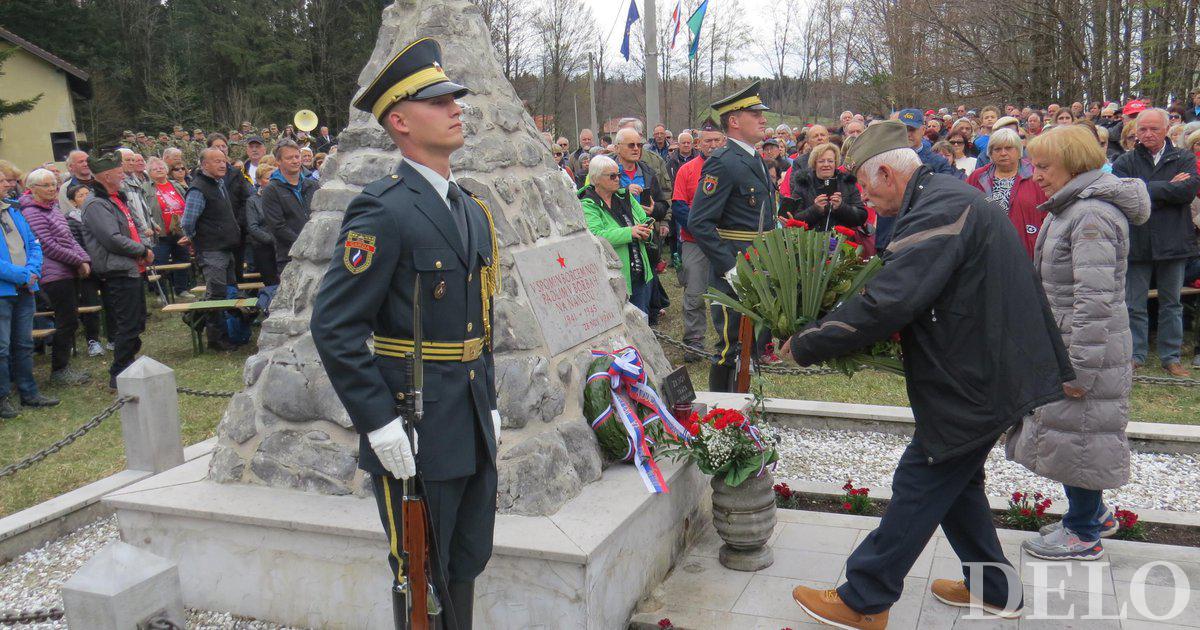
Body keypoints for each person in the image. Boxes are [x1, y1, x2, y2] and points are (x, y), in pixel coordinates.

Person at [785, 120, 1073, 629]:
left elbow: (891, 298)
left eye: (867, 187)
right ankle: (995, 590)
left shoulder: (940, 207)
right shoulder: (941, 196)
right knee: (955, 480)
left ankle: (865, 598)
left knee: (922, 478)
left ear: (887, 173)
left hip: (978, 375)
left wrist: (808, 343)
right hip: (984, 365)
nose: (866, 199)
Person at [310, 38, 498, 630]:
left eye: (454, 98)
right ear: (400, 120)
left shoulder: (468, 207)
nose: (455, 107)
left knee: (464, 561)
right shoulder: (383, 210)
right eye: (438, 100)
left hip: (465, 413)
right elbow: (335, 326)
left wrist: (487, 402)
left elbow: (481, 322)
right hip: (414, 421)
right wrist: (378, 421)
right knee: (419, 569)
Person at [1007, 125, 1150, 561]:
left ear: (1073, 162)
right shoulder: (1072, 206)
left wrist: (1079, 370)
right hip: (1071, 339)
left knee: (1081, 436)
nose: (1036, 174)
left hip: (1087, 346)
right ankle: (1094, 514)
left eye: (1044, 165)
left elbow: (1095, 300)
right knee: (1073, 433)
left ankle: (1084, 533)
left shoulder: (1091, 216)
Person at [689, 81, 777, 392]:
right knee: (730, 345)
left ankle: (743, 409)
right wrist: (730, 267)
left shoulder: (755, 158)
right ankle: (721, 417)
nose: (763, 119)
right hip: (734, 267)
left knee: (751, 342)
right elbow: (699, 221)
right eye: (755, 113)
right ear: (735, 121)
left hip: (759, 261)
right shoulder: (723, 161)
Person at [1113, 108, 1200, 377]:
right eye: (1143, 129)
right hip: (1138, 241)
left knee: (1171, 304)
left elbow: (1186, 191)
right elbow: (1122, 192)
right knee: (1134, 304)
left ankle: (1170, 357)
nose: (1148, 134)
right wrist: (1166, 187)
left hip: (1174, 242)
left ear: (1166, 130)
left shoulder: (1183, 157)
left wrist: (1145, 188)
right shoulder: (1125, 160)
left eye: (1154, 129)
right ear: (1135, 132)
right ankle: (1135, 355)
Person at [81, 153, 153, 390]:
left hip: (131, 266)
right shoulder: (95, 204)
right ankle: (119, 372)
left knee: (137, 320)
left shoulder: (116, 198)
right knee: (127, 323)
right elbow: (112, 239)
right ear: (106, 175)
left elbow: (135, 226)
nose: (123, 174)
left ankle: (128, 365)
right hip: (117, 269)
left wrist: (144, 246)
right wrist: (141, 249)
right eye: (119, 171)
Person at [19, 169, 92, 386]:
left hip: (67, 270)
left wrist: (84, 257)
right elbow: (48, 246)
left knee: (70, 319)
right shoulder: (31, 212)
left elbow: (69, 239)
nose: (52, 189)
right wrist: (77, 261)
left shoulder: (53, 209)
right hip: (53, 274)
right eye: (46, 185)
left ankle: (63, 367)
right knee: (66, 320)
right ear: (31, 189)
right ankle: (59, 370)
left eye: (54, 184)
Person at [672, 121, 725, 360]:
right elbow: (679, 206)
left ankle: (728, 341)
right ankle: (694, 340)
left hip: (724, 242)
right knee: (694, 292)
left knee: (725, 293)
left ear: (723, 141)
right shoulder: (687, 170)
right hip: (694, 241)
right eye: (707, 141)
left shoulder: (731, 169)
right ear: (698, 144)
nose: (712, 145)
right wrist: (701, 228)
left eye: (716, 140)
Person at [181, 148, 243, 352]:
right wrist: (193, 239)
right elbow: (188, 221)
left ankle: (227, 331)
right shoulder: (198, 188)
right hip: (211, 250)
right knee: (216, 295)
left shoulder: (219, 184)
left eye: (223, 161)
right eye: (216, 161)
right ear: (204, 165)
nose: (222, 164)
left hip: (225, 247)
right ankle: (216, 339)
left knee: (227, 292)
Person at [580, 155, 654, 314]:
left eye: (618, 175)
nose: (617, 179)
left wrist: (647, 233)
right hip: (613, 277)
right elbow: (595, 235)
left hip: (639, 273)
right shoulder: (588, 204)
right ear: (596, 179)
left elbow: (645, 220)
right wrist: (630, 232)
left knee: (642, 320)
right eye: (612, 176)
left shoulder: (625, 196)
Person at [965, 128, 1047, 259]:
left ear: (1019, 151)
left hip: (1027, 250)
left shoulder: (1035, 174)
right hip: (987, 250)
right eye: (997, 149)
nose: (1003, 153)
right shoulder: (977, 177)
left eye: (1009, 148)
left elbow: (1047, 212)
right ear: (990, 153)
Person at [261, 139, 320, 275]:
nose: (295, 161)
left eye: (297, 156)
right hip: (289, 255)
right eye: (289, 158)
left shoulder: (313, 185)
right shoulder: (272, 190)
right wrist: (303, 243)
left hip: (316, 253)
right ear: (278, 161)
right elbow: (277, 226)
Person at [141, 157, 193, 299]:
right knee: (159, 262)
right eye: (154, 168)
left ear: (166, 170)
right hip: (160, 233)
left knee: (182, 258)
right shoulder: (145, 188)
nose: (159, 170)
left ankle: (182, 289)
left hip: (179, 230)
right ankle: (161, 293)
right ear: (149, 172)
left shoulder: (176, 185)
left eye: (161, 167)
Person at [63, 184, 105, 357]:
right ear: (73, 202)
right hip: (87, 269)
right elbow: (78, 245)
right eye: (81, 195)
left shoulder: (100, 214)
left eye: (88, 193)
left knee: (110, 303)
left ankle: (113, 338)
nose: (86, 197)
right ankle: (92, 340)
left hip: (105, 265)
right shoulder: (71, 221)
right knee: (91, 305)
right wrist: (87, 263)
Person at [787, 143, 867, 232]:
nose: (826, 164)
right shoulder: (803, 184)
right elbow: (793, 217)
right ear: (814, 163)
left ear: (836, 163)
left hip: (841, 242)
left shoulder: (847, 183)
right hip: (810, 242)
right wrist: (815, 209)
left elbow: (861, 217)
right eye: (821, 161)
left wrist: (841, 207)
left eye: (830, 161)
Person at [244, 165, 280, 311]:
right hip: (264, 248)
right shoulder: (252, 201)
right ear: (259, 180)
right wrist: (272, 240)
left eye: (274, 177)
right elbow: (253, 227)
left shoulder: (280, 196)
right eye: (267, 178)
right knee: (271, 282)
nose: (271, 181)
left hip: (282, 247)